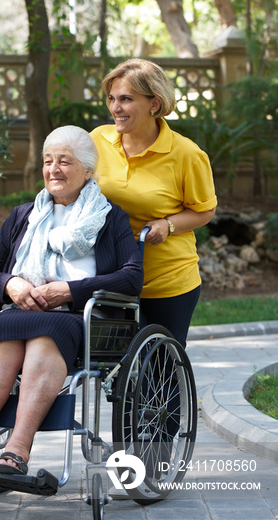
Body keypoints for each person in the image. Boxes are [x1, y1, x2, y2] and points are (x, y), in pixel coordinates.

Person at [0, 125, 143, 491]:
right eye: (48, 161)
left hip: (75, 317)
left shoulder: (110, 218)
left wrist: (71, 290)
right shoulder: (23, 216)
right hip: (17, 311)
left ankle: (17, 450)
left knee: (45, 338)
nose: (53, 169)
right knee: (0, 340)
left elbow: (131, 278)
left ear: (88, 171)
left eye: (64, 161)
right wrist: (10, 283)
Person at [90, 58, 217, 349]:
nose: (115, 108)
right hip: (112, 276)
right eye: (111, 98)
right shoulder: (97, 139)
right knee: (117, 367)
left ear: (154, 104)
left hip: (166, 281)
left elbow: (205, 210)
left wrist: (168, 224)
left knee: (160, 371)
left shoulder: (186, 154)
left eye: (125, 99)